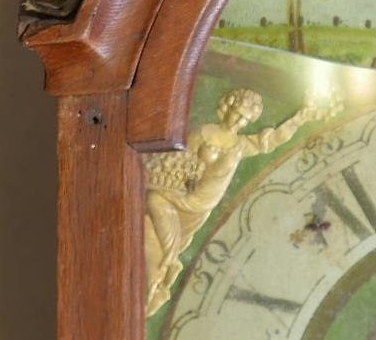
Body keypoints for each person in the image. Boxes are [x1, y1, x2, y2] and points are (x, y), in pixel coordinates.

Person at [142, 88, 337, 315]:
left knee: (157, 205)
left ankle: (166, 264)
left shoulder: (240, 145)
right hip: (184, 193)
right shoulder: (205, 131)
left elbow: (271, 140)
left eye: (245, 118)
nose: (239, 121)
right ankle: (167, 262)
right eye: (237, 113)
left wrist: (300, 118)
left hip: (203, 203)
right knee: (155, 201)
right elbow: (181, 157)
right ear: (227, 108)